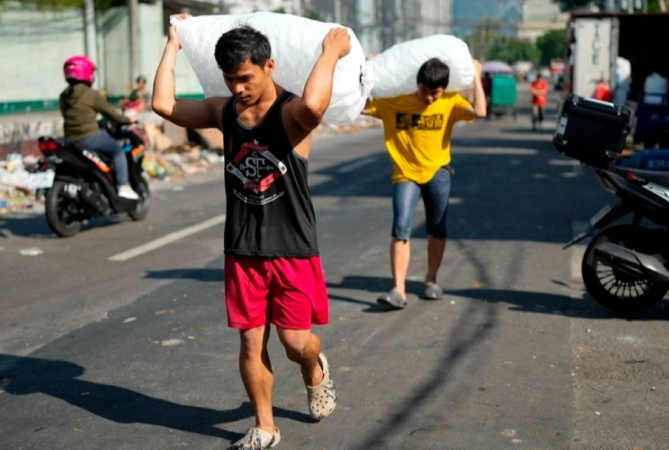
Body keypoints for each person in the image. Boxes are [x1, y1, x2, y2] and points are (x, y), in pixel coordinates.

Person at [151, 16, 350, 450]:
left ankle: (314, 368)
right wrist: (173, 45)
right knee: (249, 341)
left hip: (292, 248)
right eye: (229, 79)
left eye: (245, 77)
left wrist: (331, 52)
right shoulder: (224, 112)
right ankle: (265, 426)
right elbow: (164, 106)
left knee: (296, 343)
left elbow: (317, 108)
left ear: (269, 66)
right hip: (242, 248)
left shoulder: (291, 114)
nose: (238, 87)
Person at [365, 58, 486, 308]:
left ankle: (431, 280)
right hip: (405, 173)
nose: (429, 98)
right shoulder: (395, 102)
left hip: (437, 172)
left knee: (437, 228)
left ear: (443, 90)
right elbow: (360, 106)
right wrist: (368, 72)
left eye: (435, 93)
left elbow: (481, 111)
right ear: (417, 84)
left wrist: (475, 75)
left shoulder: (451, 102)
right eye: (424, 91)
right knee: (401, 228)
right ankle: (398, 289)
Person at [59, 56, 139, 199]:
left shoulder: (64, 95)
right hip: (89, 137)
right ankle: (123, 185)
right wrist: (128, 119)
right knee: (118, 151)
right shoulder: (90, 94)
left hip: (70, 139)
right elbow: (112, 113)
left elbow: (68, 115)